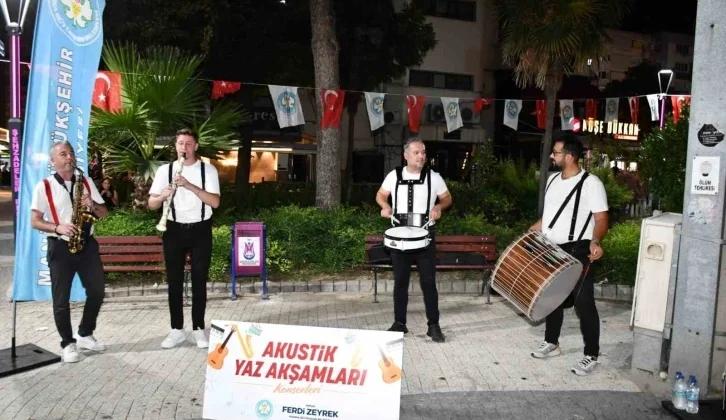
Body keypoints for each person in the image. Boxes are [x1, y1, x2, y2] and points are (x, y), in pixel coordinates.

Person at [528, 133, 609, 376]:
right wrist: (532, 231)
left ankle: (591, 355)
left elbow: (602, 218)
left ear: (570, 156)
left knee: (584, 303)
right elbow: (550, 217)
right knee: (552, 298)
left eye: (556, 152)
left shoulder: (591, 183)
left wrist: (596, 241)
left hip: (579, 249)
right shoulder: (553, 180)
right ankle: (552, 343)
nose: (552, 155)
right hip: (552, 248)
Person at [30, 141, 108, 363]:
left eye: (71, 153)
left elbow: (103, 213)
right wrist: (57, 227)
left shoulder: (85, 181)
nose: (69, 157)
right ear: (52, 161)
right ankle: (67, 343)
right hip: (61, 246)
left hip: (87, 243)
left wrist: (91, 203)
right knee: (61, 299)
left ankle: (84, 334)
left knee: (97, 291)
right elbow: (34, 221)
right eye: (63, 154)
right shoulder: (44, 186)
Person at [148, 129, 220, 350]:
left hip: (200, 229)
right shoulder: (164, 170)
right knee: (174, 281)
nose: (184, 147)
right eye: (180, 143)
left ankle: (198, 328)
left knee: (199, 281)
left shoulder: (208, 170)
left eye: (189, 144)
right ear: (176, 146)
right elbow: (152, 204)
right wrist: (162, 195)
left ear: (196, 146)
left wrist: (189, 185)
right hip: (173, 229)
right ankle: (176, 329)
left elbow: (215, 203)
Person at [375, 137, 452, 343]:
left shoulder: (433, 177)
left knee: (428, 282)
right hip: (400, 237)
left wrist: (438, 207)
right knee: (400, 282)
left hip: (425, 235)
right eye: (417, 152)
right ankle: (399, 323)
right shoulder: (394, 175)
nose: (421, 156)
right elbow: (381, 195)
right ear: (406, 155)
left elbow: (447, 198)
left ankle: (433, 325)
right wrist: (385, 206)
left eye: (424, 153)